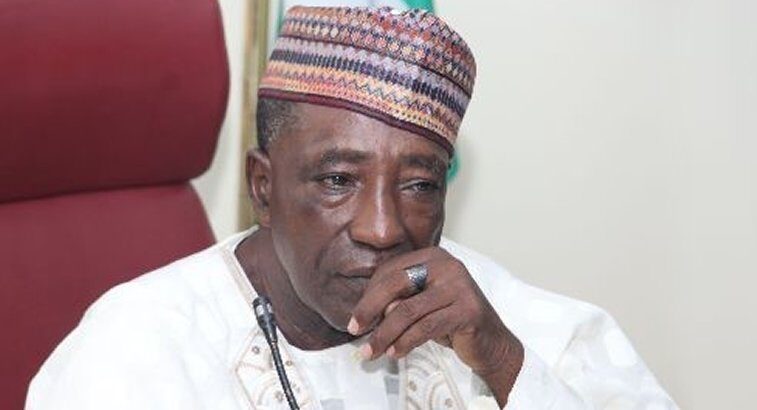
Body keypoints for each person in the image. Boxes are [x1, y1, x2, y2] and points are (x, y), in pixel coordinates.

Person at [26, 6, 676, 410]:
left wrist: (504, 363)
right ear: (263, 187)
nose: (383, 229)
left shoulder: (499, 315)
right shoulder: (136, 352)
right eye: (338, 180)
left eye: (418, 185)